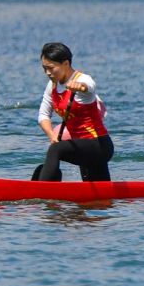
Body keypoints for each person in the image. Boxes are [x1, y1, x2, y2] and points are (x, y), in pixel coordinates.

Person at [33, 41, 112, 181]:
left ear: (66, 64)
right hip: (80, 147)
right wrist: (52, 135)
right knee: (99, 197)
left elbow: (91, 86)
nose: (47, 73)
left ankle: (42, 192)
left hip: (99, 145)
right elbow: (43, 115)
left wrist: (80, 87)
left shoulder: (82, 79)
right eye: (44, 68)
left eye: (51, 68)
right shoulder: (52, 85)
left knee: (56, 149)